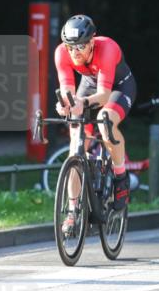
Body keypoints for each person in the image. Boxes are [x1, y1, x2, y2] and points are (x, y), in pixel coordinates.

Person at [53, 14, 137, 232]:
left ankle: (120, 177)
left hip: (118, 87)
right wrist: (65, 104)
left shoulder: (107, 48)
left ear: (92, 41)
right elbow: (67, 89)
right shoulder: (61, 52)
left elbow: (103, 94)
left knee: (105, 120)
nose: (75, 52)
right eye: (70, 47)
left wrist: (81, 102)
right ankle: (72, 212)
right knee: (74, 148)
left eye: (81, 46)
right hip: (89, 85)